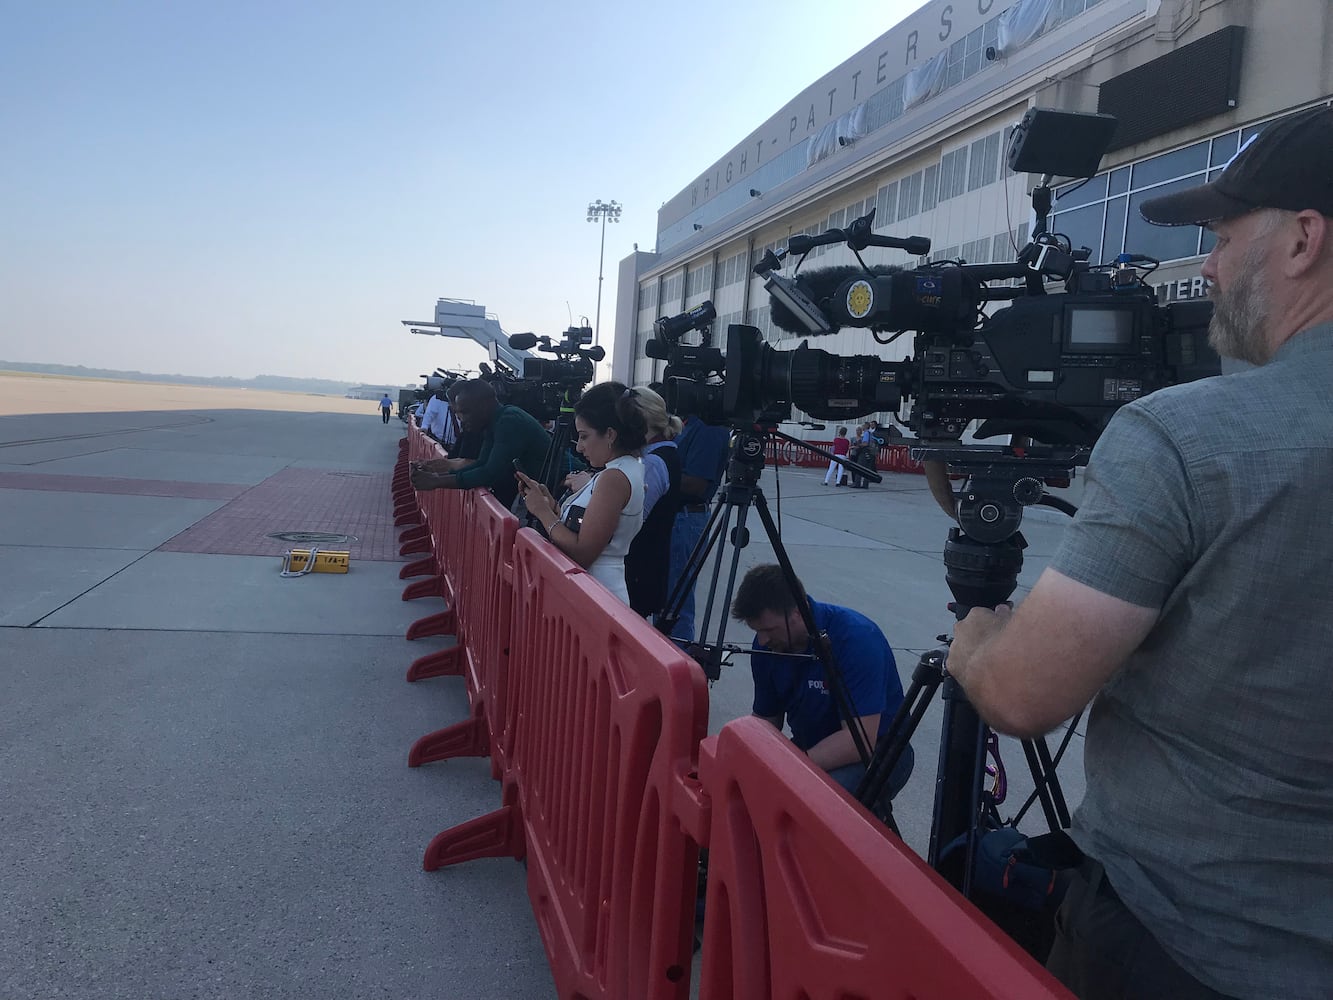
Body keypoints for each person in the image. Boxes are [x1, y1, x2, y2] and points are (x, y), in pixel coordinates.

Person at [945, 107, 1333, 1000]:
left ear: (1303, 239)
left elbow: (1018, 695)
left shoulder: (1186, 435)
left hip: (1184, 946)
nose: (1207, 264)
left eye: (1223, 235)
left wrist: (975, 638)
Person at [731, 564, 912, 806]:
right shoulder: (768, 646)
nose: (762, 640)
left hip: (878, 752)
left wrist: (789, 766)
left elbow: (859, 741)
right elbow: (766, 720)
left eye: (768, 630)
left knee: (813, 806)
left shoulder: (856, 640)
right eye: (757, 631)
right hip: (813, 747)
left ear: (797, 612)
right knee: (742, 789)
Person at [516, 382, 646, 604]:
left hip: (596, 595)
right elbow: (586, 529)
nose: (579, 447)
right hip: (599, 591)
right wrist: (551, 506)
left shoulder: (613, 478)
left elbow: (583, 553)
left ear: (610, 434)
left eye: (584, 436)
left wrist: (543, 512)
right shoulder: (623, 468)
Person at [409, 379, 549, 509]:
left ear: (484, 406)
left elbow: (490, 473)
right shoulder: (495, 421)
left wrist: (437, 481)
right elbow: (482, 464)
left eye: (465, 412)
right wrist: (438, 475)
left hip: (555, 488)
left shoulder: (508, 421)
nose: (461, 419)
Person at [661, 413, 730, 640]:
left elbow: (696, 484)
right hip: (675, 517)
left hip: (686, 518)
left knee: (675, 603)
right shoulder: (687, 425)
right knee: (665, 599)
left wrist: (656, 472)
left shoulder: (708, 427)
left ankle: (676, 657)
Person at [624, 386, 684, 617]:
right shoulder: (662, 455)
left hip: (639, 571)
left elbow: (631, 521)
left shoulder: (653, 463)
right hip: (645, 570)